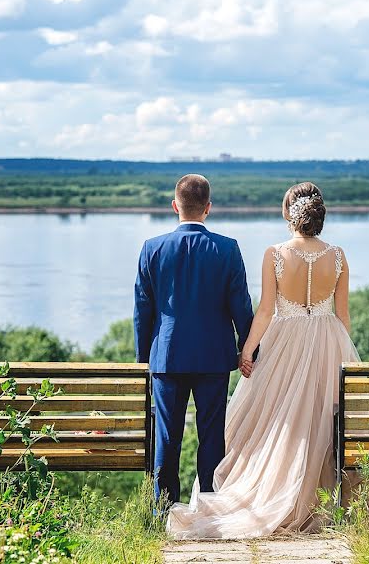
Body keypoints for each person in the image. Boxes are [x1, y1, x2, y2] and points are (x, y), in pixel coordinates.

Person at [168, 181, 369, 538]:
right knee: (323, 422)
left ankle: (276, 493)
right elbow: (344, 317)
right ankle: (326, 501)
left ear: (288, 213)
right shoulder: (338, 256)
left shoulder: (275, 254)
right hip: (329, 343)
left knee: (273, 423)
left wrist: (246, 351)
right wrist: (342, 355)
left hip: (284, 343)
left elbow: (264, 311)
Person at [134, 174, 255, 505]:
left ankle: (164, 511)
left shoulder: (152, 249)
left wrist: (143, 361)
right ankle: (209, 508)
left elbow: (142, 311)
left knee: (167, 438)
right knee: (211, 436)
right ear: (208, 208)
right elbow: (241, 307)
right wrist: (249, 351)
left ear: (175, 206)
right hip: (213, 357)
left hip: (166, 357)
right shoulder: (227, 249)